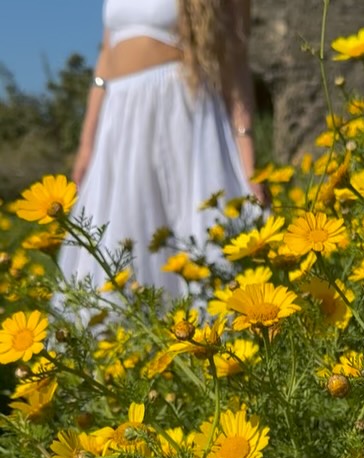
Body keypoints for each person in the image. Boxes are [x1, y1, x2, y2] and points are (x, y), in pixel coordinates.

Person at [59, 0, 267, 298]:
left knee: (194, 237)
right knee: (120, 241)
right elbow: (106, 56)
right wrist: (86, 145)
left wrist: (249, 165)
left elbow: (236, 64)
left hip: (179, 109)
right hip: (118, 117)